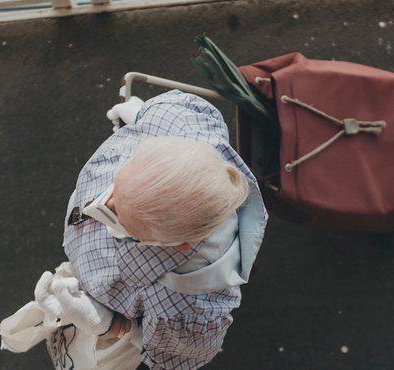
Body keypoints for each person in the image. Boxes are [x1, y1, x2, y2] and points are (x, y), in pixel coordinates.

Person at [36, 90, 268, 370]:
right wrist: (141, 115)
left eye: (118, 218)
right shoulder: (177, 123)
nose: (97, 206)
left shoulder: (188, 306)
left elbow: (171, 358)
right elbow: (161, 117)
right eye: (117, 186)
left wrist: (108, 324)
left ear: (179, 244)